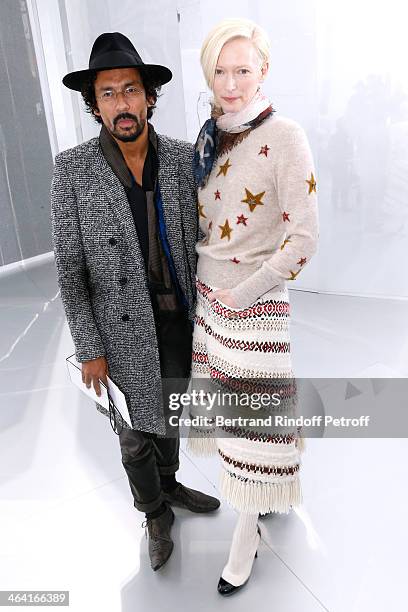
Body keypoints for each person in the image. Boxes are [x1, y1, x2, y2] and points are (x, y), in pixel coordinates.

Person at [50, 32, 220, 573]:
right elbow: (70, 271)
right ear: (94, 105)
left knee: (169, 414)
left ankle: (169, 488)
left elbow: (207, 238)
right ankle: (153, 514)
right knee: (132, 436)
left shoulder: (178, 159)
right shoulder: (72, 170)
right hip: (117, 333)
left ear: (148, 96)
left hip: (178, 320)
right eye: (107, 94)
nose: (121, 104)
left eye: (130, 90)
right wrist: (89, 347)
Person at [190, 18, 319, 595]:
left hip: (254, 309)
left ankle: (248, 529)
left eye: (243, 69)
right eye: (220, 70)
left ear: (263, 71)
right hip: (208, 307)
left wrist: (242, 296)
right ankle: (270, 486)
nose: (231, 82)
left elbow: (304, 239)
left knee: (251, 428)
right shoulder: (208, 139)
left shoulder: (285, 135)